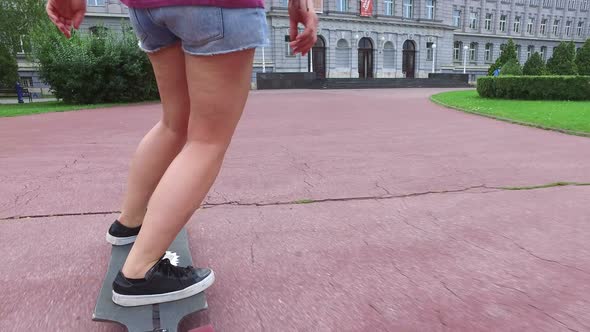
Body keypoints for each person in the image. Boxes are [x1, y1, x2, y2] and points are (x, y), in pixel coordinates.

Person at [46, 0, 318, 307]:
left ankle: (129, 223)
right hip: (218, 9)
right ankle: (139, 273)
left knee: (173, 124)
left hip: (146, 8)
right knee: (207, 141)